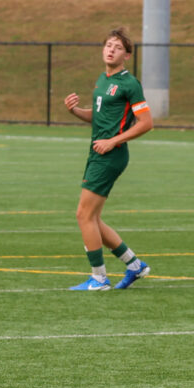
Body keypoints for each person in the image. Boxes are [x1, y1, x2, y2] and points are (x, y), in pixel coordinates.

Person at [64, 27, 153, 291]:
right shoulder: (103, 80)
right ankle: (135, 265)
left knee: (83, 215)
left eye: (117, 47)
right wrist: (76, 111)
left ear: (126, 54)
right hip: (96, 152)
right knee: (93, 218)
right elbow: (100, 116)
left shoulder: (129, 84)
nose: (111, 49)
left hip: (111, 155)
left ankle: (99, 278)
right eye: (108, 45)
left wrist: (114, 141)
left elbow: (146, 123)